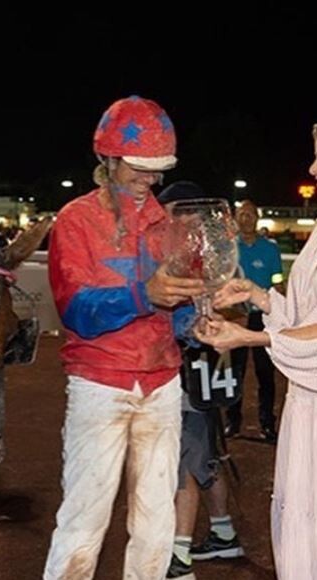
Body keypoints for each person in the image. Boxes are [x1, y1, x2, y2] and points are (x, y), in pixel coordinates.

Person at [43, 96, 205, 580]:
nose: (149, 178)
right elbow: (77, 312)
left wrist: (199, 317)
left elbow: (178, 313)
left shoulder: (171, 226)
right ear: (108, 159)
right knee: (83, 521)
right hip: (100, 385)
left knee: (157, 524)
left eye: (157, 170)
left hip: (162, 384)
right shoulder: (75, 219)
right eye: (138, 166)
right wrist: (144, 294)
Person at [195, 124, 317, 579]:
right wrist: (261, 297)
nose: (311, 168)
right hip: (306, 408)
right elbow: (308, 315)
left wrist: (248, 338)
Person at [158, 182, 244, 580]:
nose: (171, 219)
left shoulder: (196, 257)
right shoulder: (206, 252)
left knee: (186, 464)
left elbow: (208, 317)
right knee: (206, 456)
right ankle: (223, 532)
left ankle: (178, 558)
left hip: (190, 367)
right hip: (203, 368)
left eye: (175, 211)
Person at [224, 200, 284, 442]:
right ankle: (233, 422)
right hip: (236, 315)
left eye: (250, 214)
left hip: (262, 316)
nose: (246, 219)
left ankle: (267, 423)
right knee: (234, 370)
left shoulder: (270, 249)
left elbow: (277, 280)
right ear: (236, 219)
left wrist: (279, 307)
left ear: (257, 218)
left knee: (264, 372)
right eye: (242, 215)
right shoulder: (229, 249)